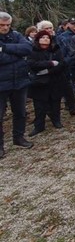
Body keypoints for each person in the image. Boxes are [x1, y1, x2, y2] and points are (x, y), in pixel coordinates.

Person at [0, 12, 34, 157]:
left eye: (7, 25)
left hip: (20, 82)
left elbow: (28, 49)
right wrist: (18, 56)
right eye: (2, 25)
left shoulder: (16, 35)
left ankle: (18, 137)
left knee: (20, 112)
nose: (5, 27)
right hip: (1, 83)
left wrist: (5, 48)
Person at [27, 30, 69, 135]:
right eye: (43, 37)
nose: (45, 39)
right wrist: (49, 63)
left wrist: (47, 70)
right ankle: (39, 126)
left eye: (47, 37)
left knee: (55, 102)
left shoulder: (55, 49)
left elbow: (61, 64)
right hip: (39, 83)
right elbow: (32, 64)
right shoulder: (32, 51)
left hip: (55, 80)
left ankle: (56, 121)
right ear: (38, 39)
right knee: (39, 106)